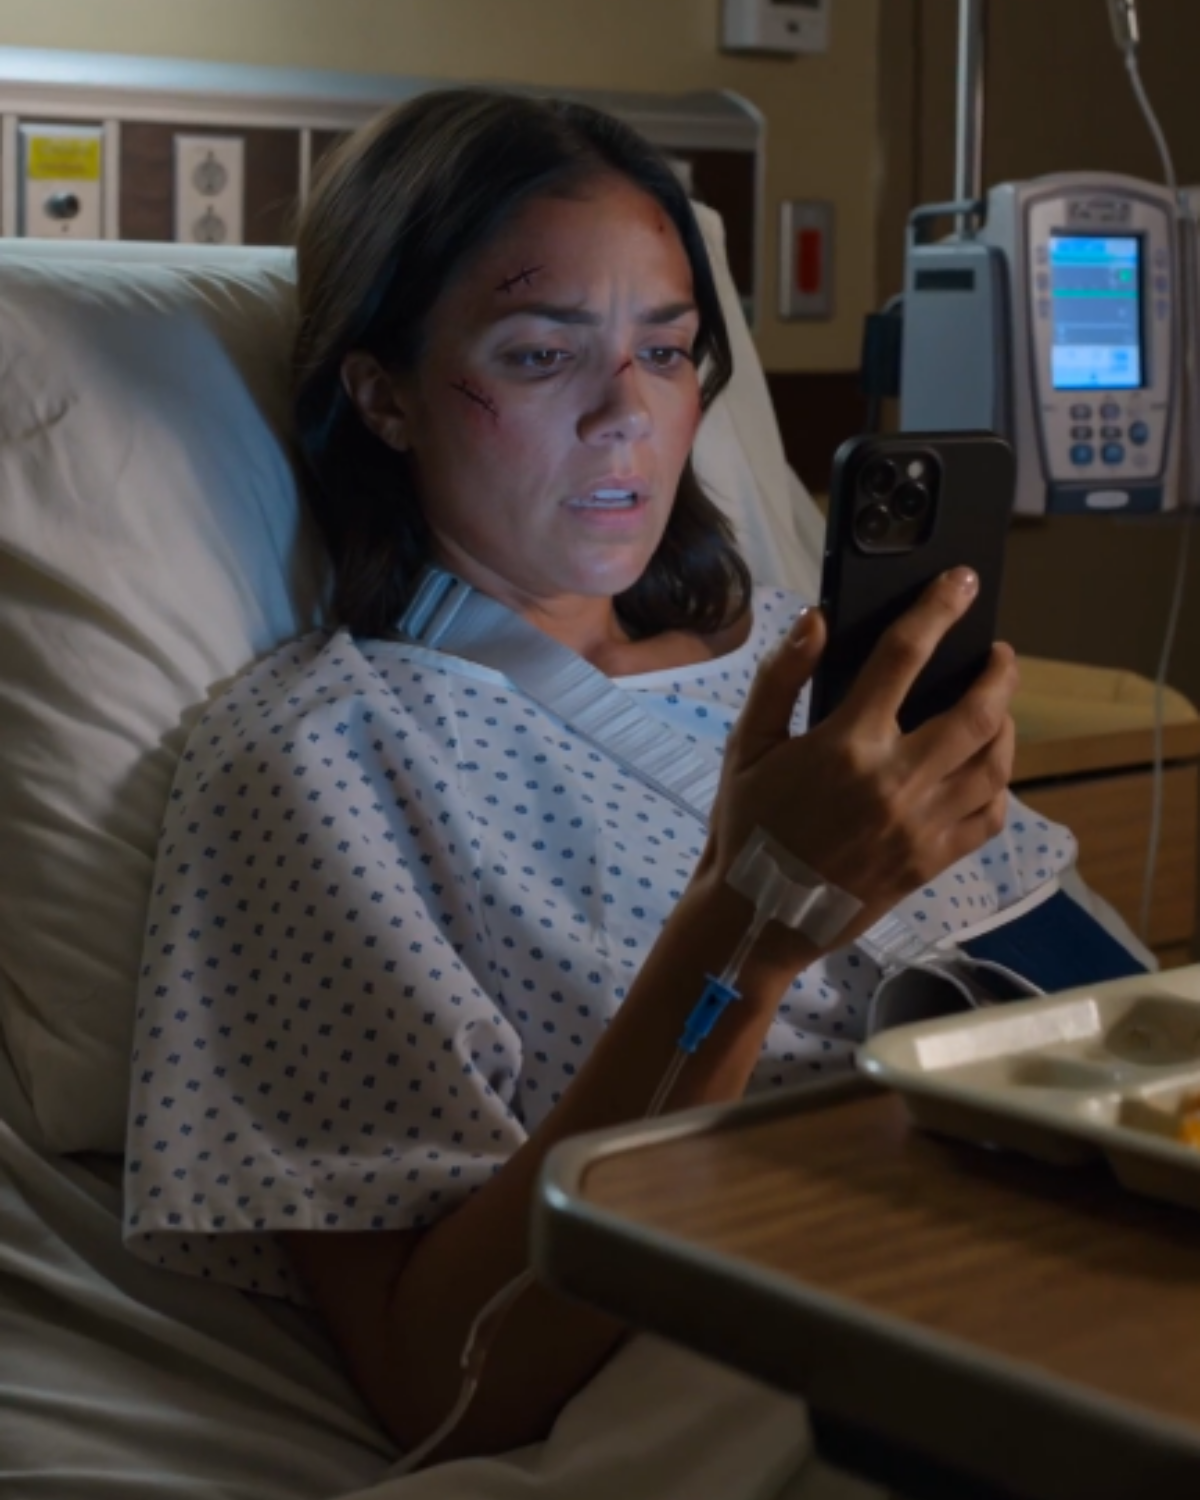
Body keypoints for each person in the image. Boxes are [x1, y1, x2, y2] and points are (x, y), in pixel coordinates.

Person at [123, 88, 1081, 1478]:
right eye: (538, 354)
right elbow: (444, 1385)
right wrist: (754, 920)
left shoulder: (807, 656)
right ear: (383, 395)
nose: (627, 413)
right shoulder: (325, 762)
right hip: (832, 1338)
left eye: (669, 351)